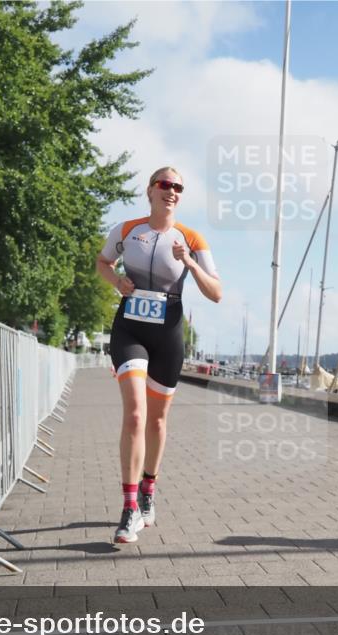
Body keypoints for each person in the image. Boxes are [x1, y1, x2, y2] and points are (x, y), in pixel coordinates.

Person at [96, 167, 222, 544]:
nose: (172, 191)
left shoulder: (192, 238)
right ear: (150, 190)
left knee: (157, 420)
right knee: (135, 413)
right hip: (130, 328)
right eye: (165, 184)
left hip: (168, 332)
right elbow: (102, 263)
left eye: (178, 187)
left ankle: (149, 490)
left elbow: (216, 293)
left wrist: (190, 262)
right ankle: (129, 507)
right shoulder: (126, 230)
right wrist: (118, 281)